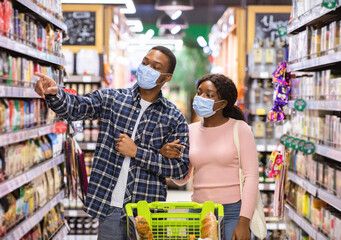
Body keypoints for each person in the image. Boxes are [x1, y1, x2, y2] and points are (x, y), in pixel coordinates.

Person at [34, 46, 190, 240]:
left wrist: (137, 152)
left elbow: (181, 170)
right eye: (145, 62)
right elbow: (75, 107)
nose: (147, 68)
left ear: (167, 77)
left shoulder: (174, 118)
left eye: (156, 67)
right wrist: (54, 93)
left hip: (148, 213)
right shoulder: (112, 99)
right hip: (110, 209)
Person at [161, 74, 259, 240]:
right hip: (198, 212)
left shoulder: (240, 129)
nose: (201, 98)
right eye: (199, 93)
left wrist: (243, 222)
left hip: (232, 213)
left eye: (209, 95)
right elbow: (183, 179)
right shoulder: (189, 130)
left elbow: (251, 177)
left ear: (223, 103)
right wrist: (169, 160)